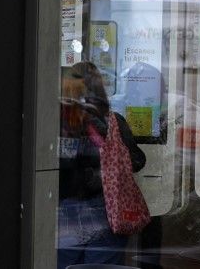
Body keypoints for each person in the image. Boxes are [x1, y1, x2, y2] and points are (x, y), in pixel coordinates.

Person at [57, 61, 146, 269]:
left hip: (65, 213)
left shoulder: (56, 121)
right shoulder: (113, 121)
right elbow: (138, 160)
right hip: (105, 210)